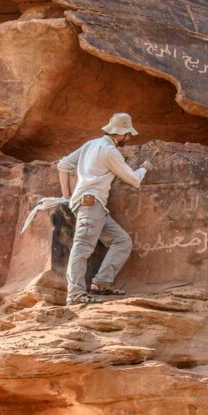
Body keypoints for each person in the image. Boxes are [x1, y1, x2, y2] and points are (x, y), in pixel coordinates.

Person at [57, 113, 150, 306]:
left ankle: (101, 283)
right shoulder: (110, 151)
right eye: (128, 134)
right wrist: (145, 168)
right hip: (91, 204)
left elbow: (63, 165)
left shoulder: (90, 144)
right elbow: (134, 179)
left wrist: (67, 196)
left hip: (92, 205)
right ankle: (75, 294)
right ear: (121, 134)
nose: (129, 138)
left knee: (121, 241)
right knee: (82, 247)